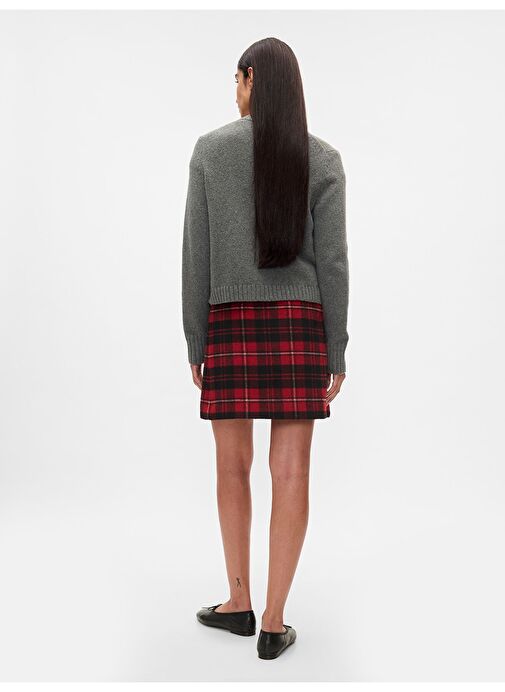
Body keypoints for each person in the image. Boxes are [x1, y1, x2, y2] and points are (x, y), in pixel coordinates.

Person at [181, 37, 349, 660]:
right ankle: (274, 623)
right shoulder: (323, 158)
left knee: (232, 466)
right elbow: (333, 262)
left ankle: (239, 603)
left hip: (230, 321)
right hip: (300, 326)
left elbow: (196, 254)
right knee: (292, 469)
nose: (234, 93)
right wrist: (336, 345)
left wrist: (196, 338)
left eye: (237, 80)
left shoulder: (209, 151)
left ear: (251, 78)